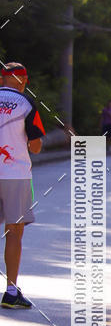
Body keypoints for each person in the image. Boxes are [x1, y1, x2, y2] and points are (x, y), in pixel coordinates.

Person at [0, 62, 45, 309]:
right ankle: (10, 291)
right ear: (24, 80)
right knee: (14, 232)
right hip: (15, 174)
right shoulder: (26, 105)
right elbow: (36, 146)